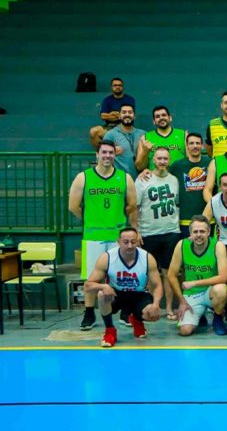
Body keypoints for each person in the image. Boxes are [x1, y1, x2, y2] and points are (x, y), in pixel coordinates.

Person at [68, 140, 138, 331]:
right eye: (104, 152)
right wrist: (91, 219)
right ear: (97, 155)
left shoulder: (125, 178)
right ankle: (89, 313)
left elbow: (132, 204)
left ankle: (125, 310)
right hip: (93, 235)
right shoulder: (84, 177)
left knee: (123, 276)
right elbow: (73, 206)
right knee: (91, 278)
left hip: (117, 235)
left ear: (115, 155)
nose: (107, 156)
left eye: (111, 153)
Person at [84, 227, 163, 347]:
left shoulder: (147, 258)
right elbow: (88, 285)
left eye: (133, 242)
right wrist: (103, 286)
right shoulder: (107, 258)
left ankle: (137, 320)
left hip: (138, 295)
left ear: (138, 241)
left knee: (151, 314)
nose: (130, 246)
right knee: (101, 295)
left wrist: (156, 304)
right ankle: (110, 330)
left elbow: (157, 286)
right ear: (118, 242)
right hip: (116, 294)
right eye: (125, 242)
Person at [135, 146, 181, 320]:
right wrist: (137, 231)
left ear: (169, 160)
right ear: (153, 159)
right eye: (159, 158)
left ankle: (168, 308)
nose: (162, 162)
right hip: (148, 232)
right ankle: (151, 308)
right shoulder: (143, 179)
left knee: (169, 273)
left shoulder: (174, 180)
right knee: (149, 274)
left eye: (165, 159)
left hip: (171, 231)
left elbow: (177, 204)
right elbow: (135, 207)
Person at [166, 215, 227, 336]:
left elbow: (223, 277)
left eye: (202, 231)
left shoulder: (218, 246)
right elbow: (171, 275)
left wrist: (194, 283)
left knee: (220, 289)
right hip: (192, 294)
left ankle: (218, 317)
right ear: (190, 232)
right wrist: (182, 300)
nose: (199, 235)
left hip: (211, 292)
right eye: (195, 231)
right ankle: (200, 316)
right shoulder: (182, 245)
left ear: (208, 232)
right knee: (185, 331)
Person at [168, 133, 211, 238]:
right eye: (191, 143)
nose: (195, 146)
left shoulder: (211, 163)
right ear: (187, 146)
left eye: (198, 143)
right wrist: (146, 172)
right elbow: (161, 176)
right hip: (185, 221)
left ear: (202, 146)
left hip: (209, 218)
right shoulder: (177, 165)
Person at [135, 106, 186, 171]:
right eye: (157, 116)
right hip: (155, 179)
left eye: (164, 115)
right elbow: (139, 167)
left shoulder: (183, 135)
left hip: (179, 178)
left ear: (170, 118)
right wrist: (145, 152)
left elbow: (191, 160)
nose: (161, 118)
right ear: (154, 121)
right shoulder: (145, 138)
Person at [89, 77, 135, 148]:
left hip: (124, 127)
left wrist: (112, 114)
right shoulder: (107, 100)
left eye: (119, 85)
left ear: (122, 87)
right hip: (109, 127)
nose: (117, 87)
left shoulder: (129, 99)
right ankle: (101, 152)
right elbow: (103, 116)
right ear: (111, 87)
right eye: (115, 85)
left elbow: (127, 116)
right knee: (93, 131)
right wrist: (116, 115)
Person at [103, 104, 145, 179]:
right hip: (119, 180)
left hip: (141, 180)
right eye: (124, 112)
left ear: (134, 116)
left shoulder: (143, 134)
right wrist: (111, 152)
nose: (127, 114)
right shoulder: (110, 135)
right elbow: (101, 157)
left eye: (130, 112)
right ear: (119, 116)